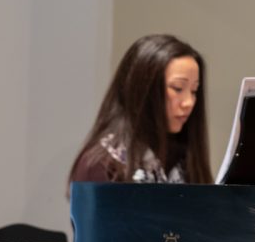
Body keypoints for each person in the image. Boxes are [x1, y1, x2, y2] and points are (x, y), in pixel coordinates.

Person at [69, 34, 212, 186]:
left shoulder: (185, 159)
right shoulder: (103, 164)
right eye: (177, 88)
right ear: (143, 89)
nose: (189, 102)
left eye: (194, 91)